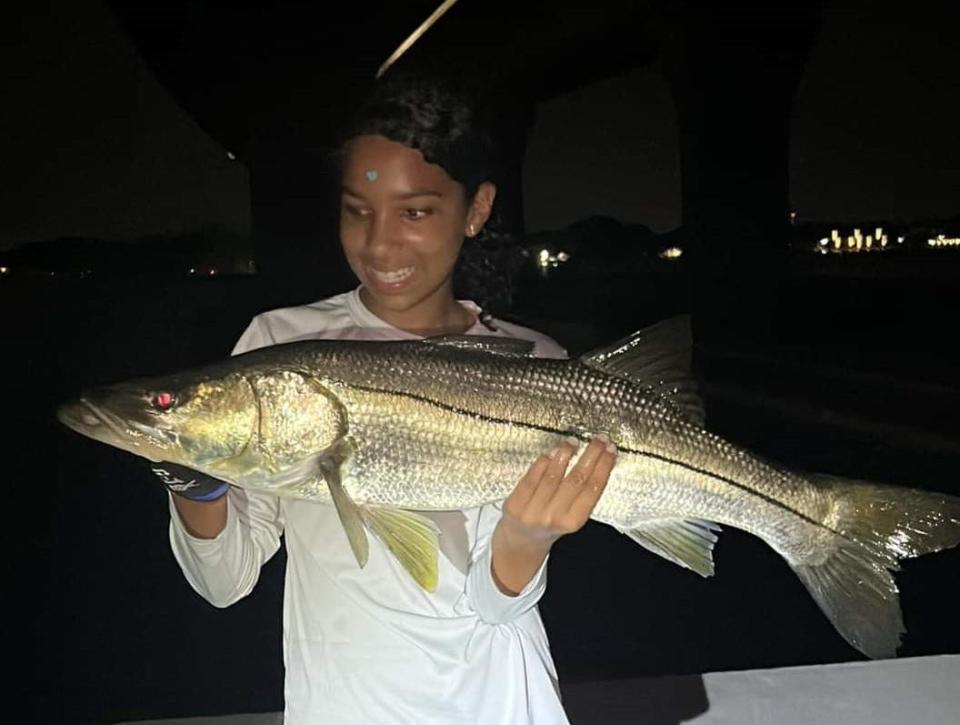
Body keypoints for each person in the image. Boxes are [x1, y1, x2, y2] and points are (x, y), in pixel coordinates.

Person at [159, 71, 617, 724]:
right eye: (358, 209)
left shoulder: (535, 366)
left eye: (416, 212)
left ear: (477, 209)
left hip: (500, 701)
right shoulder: (279, 346)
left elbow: (493, 605)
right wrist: (192, 478)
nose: (378, 243)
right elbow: (223, 580)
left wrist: (528, 535)